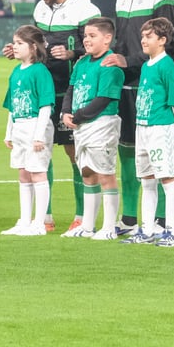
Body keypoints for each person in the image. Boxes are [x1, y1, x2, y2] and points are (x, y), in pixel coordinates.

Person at [103, 0, 174, 236]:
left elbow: (168, 42)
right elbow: (122, 41)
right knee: (129, 152)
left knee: (158, 157)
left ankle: (160, 220)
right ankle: (131, 218)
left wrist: (130, 60)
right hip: (127, 84)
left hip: (151, 85)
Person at [18, 0, 100, 234]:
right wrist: (21, 50)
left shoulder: (86, 10)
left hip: (72, 92)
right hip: (43, 92)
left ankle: (81, 216)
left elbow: (97, 48)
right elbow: (35, 44)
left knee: (75, 153)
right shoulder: (41, 8)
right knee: (41, 151)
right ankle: (45, 216)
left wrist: (71, 53)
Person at [120, 17, 174, 247]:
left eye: (149, 36)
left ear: (163, 40)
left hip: (161, 128)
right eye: (143, 36)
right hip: (143, 127)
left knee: (167, 178)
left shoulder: (167, 66)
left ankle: (171, 233)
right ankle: (147, 230)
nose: (143, 40)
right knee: (147, 180)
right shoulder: (147, 66)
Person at [61, 18, 124, 240]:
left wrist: (78, 116)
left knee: (106, 174)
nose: (86, 40)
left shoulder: (110, 65)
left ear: (107, 39)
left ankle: (109, 228)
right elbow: (71, 88)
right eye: (85, 36)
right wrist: (65, 112)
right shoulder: (82, 63)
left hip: (102, 125)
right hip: (82, 126)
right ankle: (87, 226)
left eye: (92, 36)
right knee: (87, 173)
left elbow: (104, 99)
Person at [0, 25, 56, 237]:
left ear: (33, 47)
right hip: (20, 127)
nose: (14, 47)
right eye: (14, 42)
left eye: (19, 43)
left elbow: (45, 105)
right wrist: (9, 133)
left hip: (34, 126)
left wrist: (39, 135)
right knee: (23, 173)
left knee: (37, 172)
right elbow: (12, 106)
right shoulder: (16, 71)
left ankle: (39, 223)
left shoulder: (40, 71)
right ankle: (24, 221)